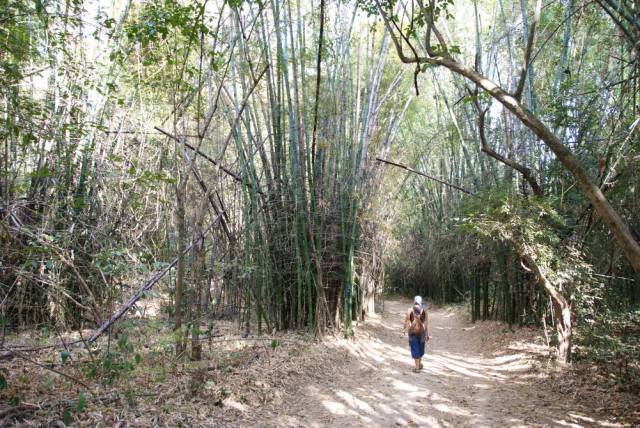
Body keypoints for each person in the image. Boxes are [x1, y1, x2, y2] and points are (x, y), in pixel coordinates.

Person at [402, 295, 430, 372]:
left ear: (414, 302)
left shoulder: (410, 310)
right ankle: (419, 364)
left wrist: (404, 329)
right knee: (421, 349)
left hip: (412, 332)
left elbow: (406, 321)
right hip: (422, 333)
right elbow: (426, 323)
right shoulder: (424, 310)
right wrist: (427, 334)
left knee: (415, 348)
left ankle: (417, 367)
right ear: (421, 302)